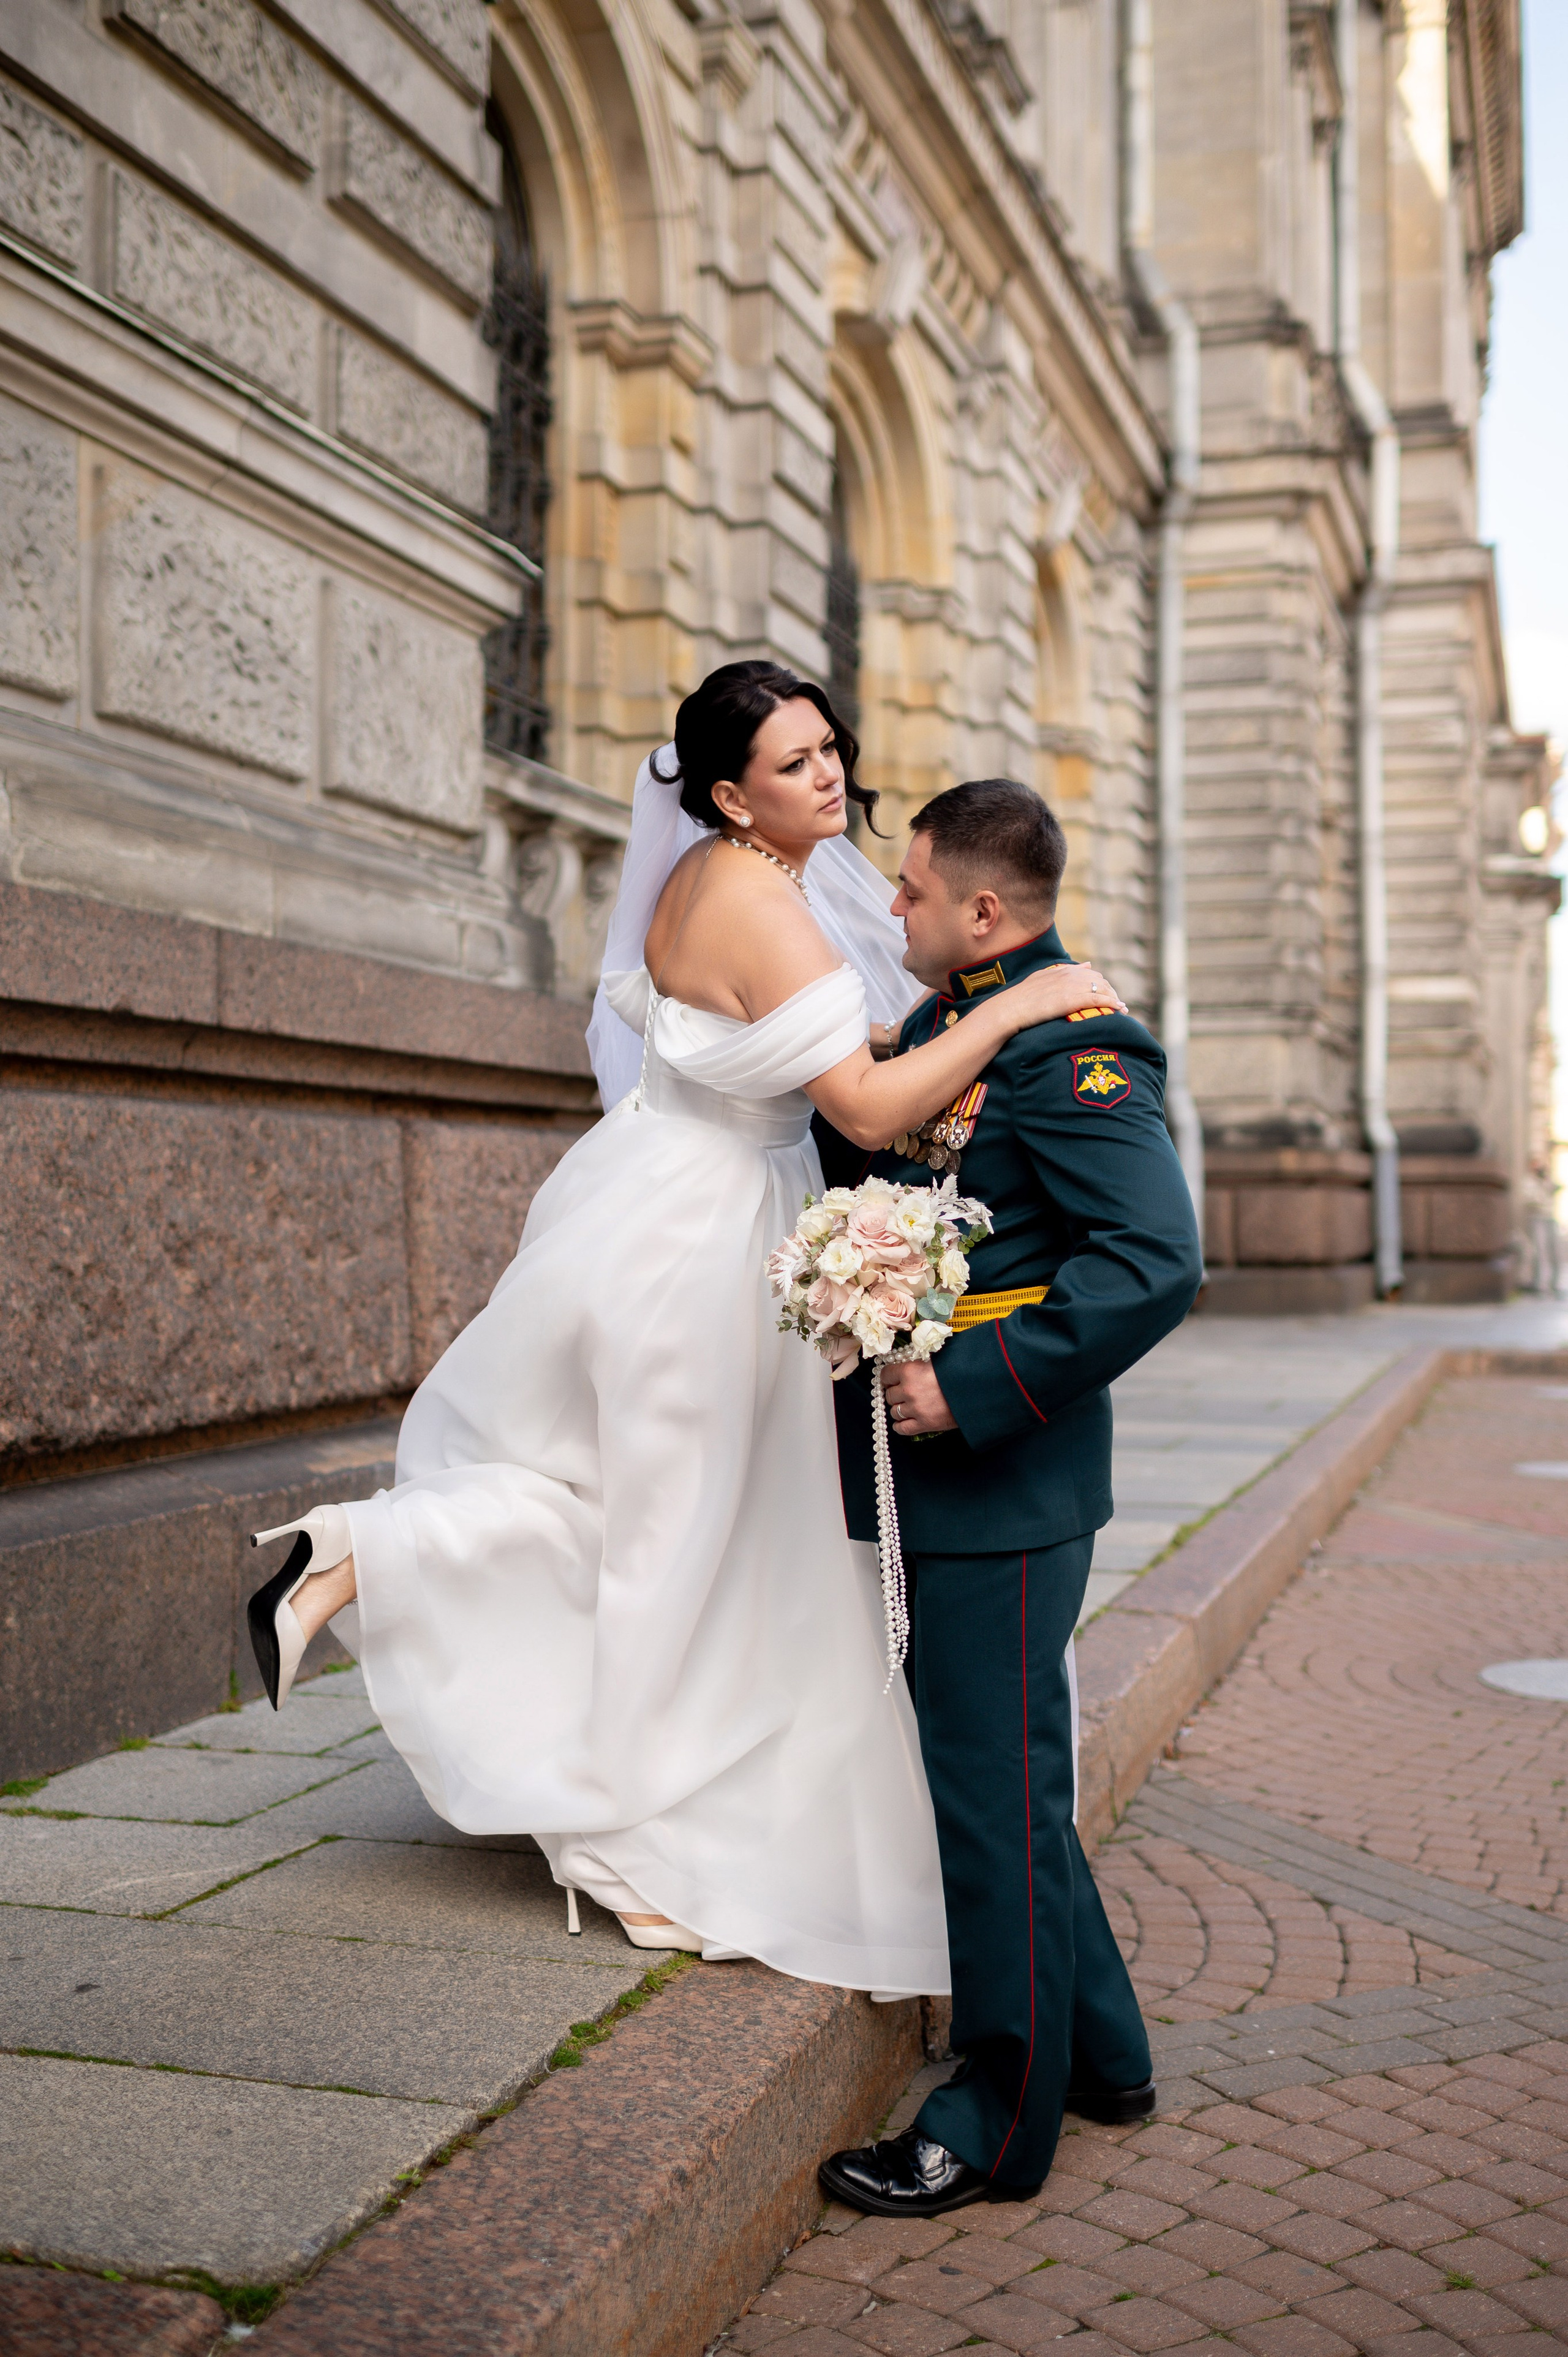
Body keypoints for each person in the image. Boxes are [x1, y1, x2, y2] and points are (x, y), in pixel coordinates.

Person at [244, 670, 1125, 1988]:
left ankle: (368, 1564)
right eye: (791, 762)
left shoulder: (708, 877)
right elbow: (870, 1110)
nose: (827, 775)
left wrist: (908, 1030)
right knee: (671, 1544)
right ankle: (627, 1834)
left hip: (649, 1204)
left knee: (650, 1520)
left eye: (829, 747)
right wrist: (1012, 1007)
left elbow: (779, 1046)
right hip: (706, 1249)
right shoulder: (767, 905)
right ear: (728, 794)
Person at [816, 778, 1203, 2215]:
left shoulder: (1076, 1045)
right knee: (1004, 1792)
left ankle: (992, 2119)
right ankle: (1099, 2055)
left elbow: (1151, 1257)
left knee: (992, 1800)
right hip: (939, 1475)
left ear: (984, 908)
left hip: (1006, 1475)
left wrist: (974, 1386)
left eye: (909, 889)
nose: (890, 907)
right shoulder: (945, 1022)